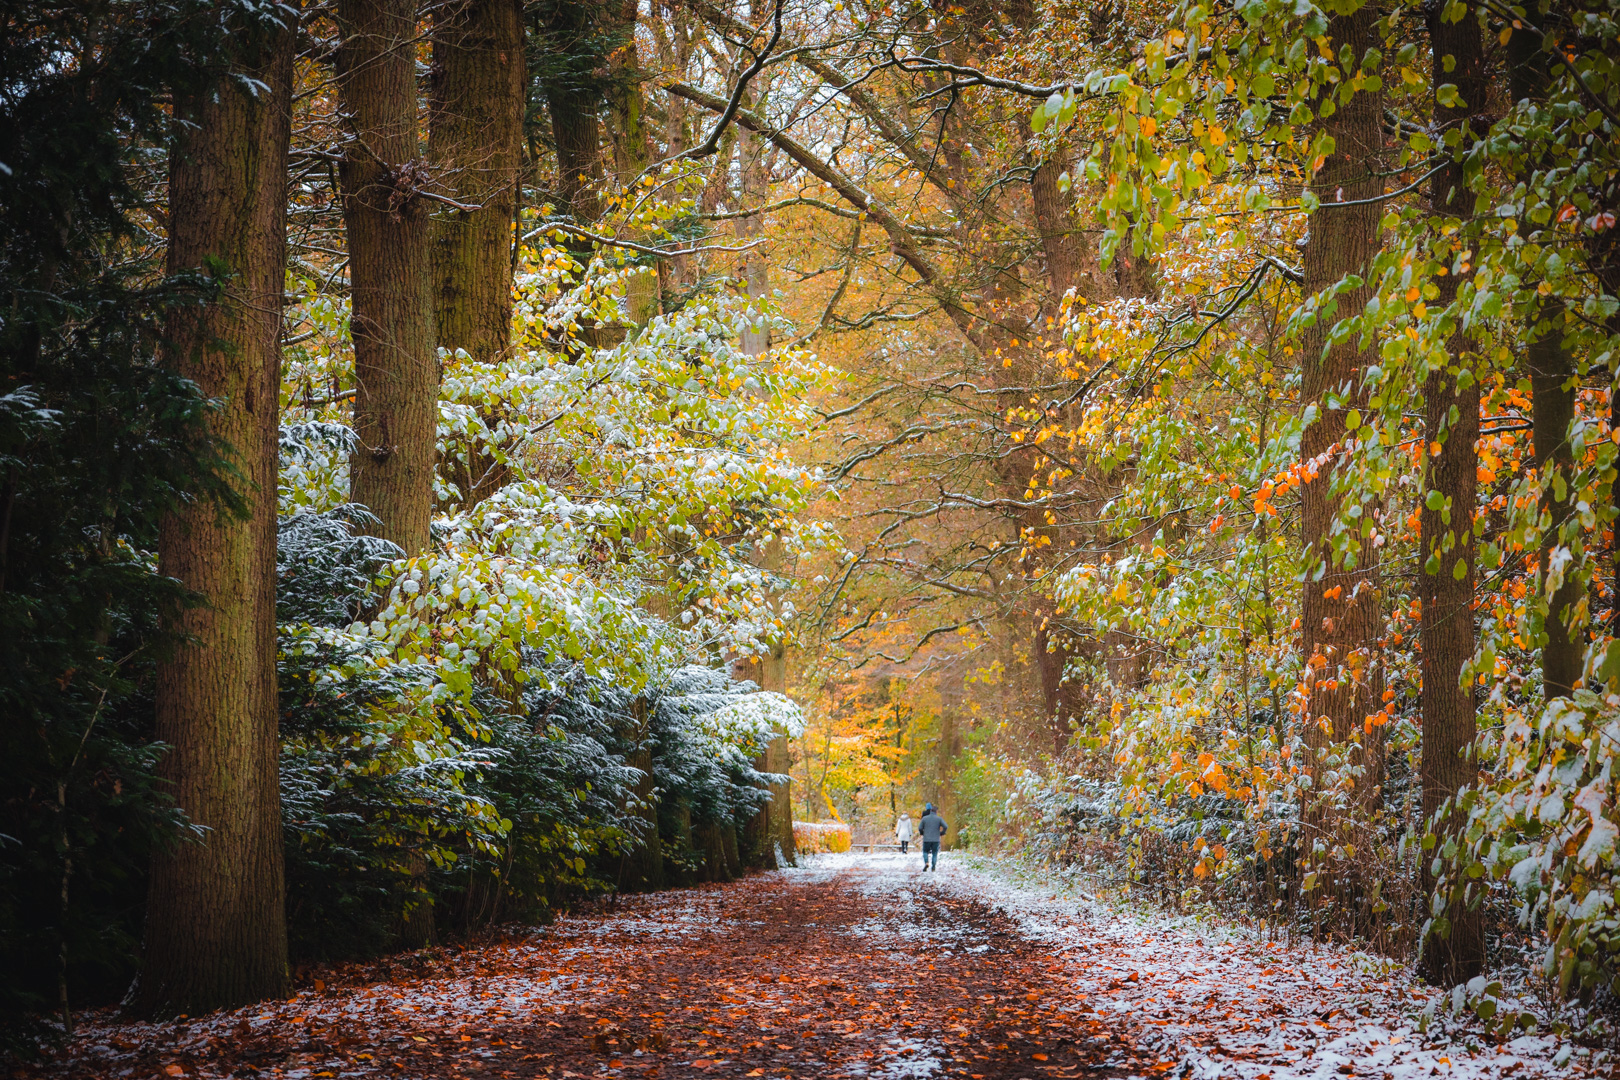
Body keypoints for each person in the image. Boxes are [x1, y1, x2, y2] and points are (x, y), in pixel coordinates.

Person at [918, 803, 947, 871]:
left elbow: (920, 828)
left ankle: (926, 862)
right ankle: (933, 866)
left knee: (925, 851)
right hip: (936, 839)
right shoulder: (939, 819)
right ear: (936, 812)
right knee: (934, 853)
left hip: (926, 839)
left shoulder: (924, 818)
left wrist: (922, 833)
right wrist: (942, 833)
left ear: (930, 811)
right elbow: (945, 826)